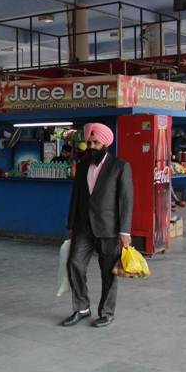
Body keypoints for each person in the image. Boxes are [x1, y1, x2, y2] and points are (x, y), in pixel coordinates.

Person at [62, 122, 133, 329]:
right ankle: (82, 308)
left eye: (96, 142)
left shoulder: (120, 167)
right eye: (89, 142)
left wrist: (125, 231)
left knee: (108, 271)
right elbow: (75, 198)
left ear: (105, 143)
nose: (91, 146)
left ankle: (107, 312)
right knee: (74, 263)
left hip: (109, 229)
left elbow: (126, 201)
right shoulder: (83, 166)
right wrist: (71, 226)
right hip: (83, 227)